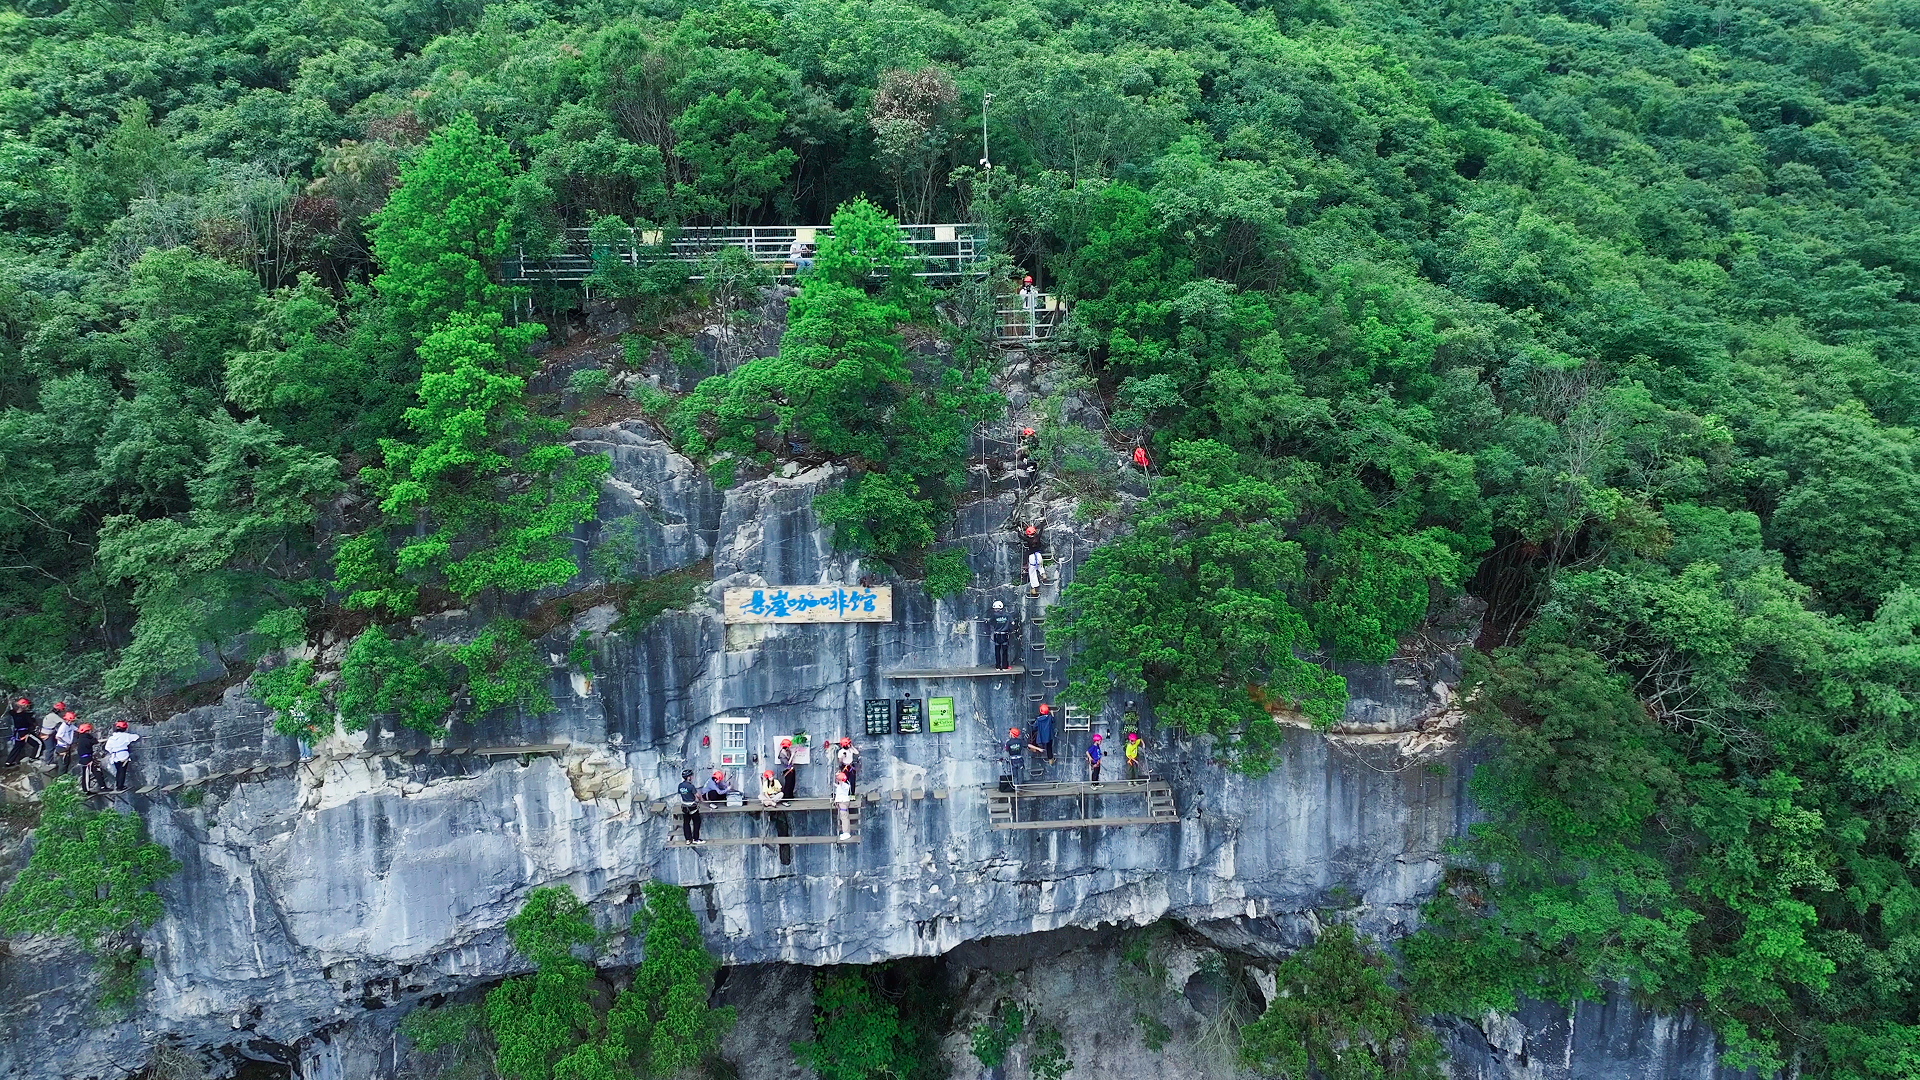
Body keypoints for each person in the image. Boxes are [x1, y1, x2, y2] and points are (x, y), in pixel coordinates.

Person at [106, 720, 140, 792]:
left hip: (114, 756)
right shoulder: (126, 736)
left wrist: (113, 750)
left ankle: (118, 785)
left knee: (118, 771)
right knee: (122, 771)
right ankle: (120, 786)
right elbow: (136, 737)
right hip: (123, 755)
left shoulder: (111, 738)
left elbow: (107, 747)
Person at [676, 769, 704, 844]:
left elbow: (681, 794)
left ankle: (688, 839)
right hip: (692, 806)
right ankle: (695, 839)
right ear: (688, 777)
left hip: (684, 806)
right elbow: (697, 795)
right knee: (697, 822)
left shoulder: (680, 785)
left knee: (686, 822)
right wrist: (700, 800)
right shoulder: (691, 786)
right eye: (691, 776)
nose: (692, 777)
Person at [4, 697, 33, 768]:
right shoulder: (25, 715)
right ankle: (10, 761)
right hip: (24, 733)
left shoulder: (13, 714)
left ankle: (9, 761)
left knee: (17, 747)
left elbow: (11, 711)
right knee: (19, 746)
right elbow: (30, 723)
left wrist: (11, 703)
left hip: (17, 733)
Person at [71, 722, 98, 792]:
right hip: (87, 759)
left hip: (83, 758)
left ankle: (101, 786)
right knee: (86, 775)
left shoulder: (80, 738)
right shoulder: (85, 739)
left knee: (91, 772)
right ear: (87, 731)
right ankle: (86, 790)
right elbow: (94, 741)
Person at [1021, 524, 1045, 597]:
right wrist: (1042, 524)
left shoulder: (1028, 540)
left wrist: (1018, 531)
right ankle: (1043, 574)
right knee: (1040, 566)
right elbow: (1041, 531)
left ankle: (1033, 588)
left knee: (1032, 572)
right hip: (1039, 556)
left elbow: (1020, 536)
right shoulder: (1038, 537)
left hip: (1032, 557)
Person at [990, 600, 1013, 670]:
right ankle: (1005, 666)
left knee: (997, 651)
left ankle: (998, 666)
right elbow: (1012, 623)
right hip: (1004, 635)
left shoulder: (994, 615)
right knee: (1005, 651)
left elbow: (991, 623)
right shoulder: (1007, 615)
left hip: (997, 635)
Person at [834, 770, 854, 841]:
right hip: (841, 803)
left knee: (844, 817)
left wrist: (838, 775)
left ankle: (846, 832)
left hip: (843, 803)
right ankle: (845, 832)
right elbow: (838, 786)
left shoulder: (844, 785)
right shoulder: (842, 785)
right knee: (843, 817)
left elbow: (841, 785)